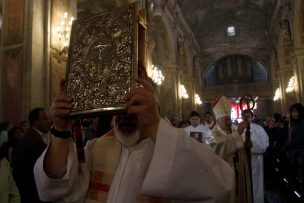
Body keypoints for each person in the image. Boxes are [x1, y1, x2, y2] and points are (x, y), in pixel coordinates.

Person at [34, 76, 234, 203]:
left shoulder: (174, 149)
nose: (126, 113)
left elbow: (219, 189)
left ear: (154, 107)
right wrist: (60, 130)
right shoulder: (97, 148)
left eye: (136, 105)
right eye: (121, 108)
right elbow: (52, 190)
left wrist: (155, 124)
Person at [206, 96, 253, 203]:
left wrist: (246, 146)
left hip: (239, 173)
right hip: (223, 175)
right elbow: (220, 148)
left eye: (229, 119)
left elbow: (239, 148)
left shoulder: (234, 130)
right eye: (225, 119)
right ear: (217, 120)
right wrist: (238, 135)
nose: (228, 122)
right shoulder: (212, 134)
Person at [13, 108, 51, 203]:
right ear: (35, 122)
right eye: (45, 119)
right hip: (32, 193)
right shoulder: (27, 140)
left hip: (44, 191)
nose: (48, 122)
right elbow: (18, 170)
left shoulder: (46, 136)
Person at [240, 109, 269, 203]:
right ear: (241, 117)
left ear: (252, 117)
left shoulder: (259, 129)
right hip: (242, 160)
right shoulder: (237, 128)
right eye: (244, 116)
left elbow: (264, 144)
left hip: (256, 159)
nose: (246, 118)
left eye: (249, 116)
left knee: (256, 183)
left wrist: (252, 145)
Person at [285, 103, 304, 181]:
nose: (294, 114)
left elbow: (298, 139)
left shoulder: (302, 123)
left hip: (301, 152)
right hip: (296, 152)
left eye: (296, 111)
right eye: (292, 111)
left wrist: (285, 147)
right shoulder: (294, 124)